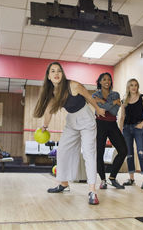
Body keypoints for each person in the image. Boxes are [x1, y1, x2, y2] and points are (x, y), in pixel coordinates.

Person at [34, 62, 105, 205]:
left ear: (62, 74)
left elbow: (88, 97)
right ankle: (64, 184)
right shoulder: (52, 93)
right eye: (53, 71)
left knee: (88, 153)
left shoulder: (73, 85)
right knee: (62, 151)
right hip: (71, 122)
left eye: (59, 71)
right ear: (48, 76)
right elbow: (48, 111)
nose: (56, 73)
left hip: (86, 119)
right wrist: (45, 126)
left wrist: (98, 108)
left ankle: (92, 191)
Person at [92, 72, 127, 189]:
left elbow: (113, 111)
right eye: (104, 79)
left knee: (123, 150)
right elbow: (100, 111)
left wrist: (102, 102)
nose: (107, 81)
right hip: (100, 124)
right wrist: (111, 103)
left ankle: (112, 177)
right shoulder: (94, 95)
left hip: (112, 124)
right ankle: (103, 180)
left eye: (109, 79)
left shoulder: (115, 94)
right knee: (100, 153)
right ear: (100, 81)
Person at [119, 78, 143, 189]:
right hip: (126, 129)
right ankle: (131, 179)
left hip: (138, 128)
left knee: (141, 152)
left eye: (136, 85)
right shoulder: (124, 101)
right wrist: (120, 131)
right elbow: (122, 117)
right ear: (128, 87)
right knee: (129, 154)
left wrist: (142, 124)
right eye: (131, 85)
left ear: (137, 86)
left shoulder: (142, 98)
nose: (134, 87)